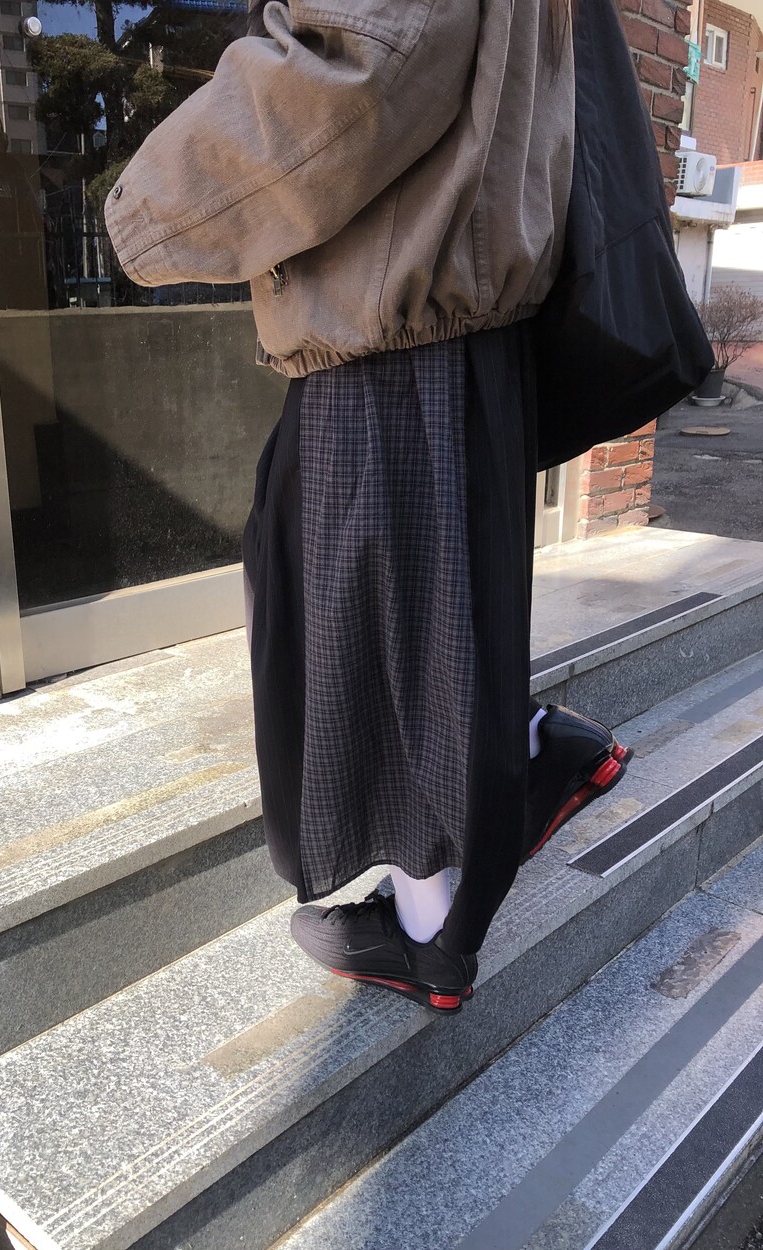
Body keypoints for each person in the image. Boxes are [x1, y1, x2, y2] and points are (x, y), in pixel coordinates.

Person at [106, 0, 633, 1014]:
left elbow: (356, 67)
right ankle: (528, 753)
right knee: (428, 618)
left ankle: (431, 933)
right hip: (459, 317)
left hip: (393, 330)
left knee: (373, 641)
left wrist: (140, 211)